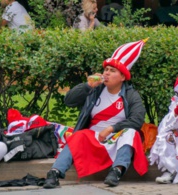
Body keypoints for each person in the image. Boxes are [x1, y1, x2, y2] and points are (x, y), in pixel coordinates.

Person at [43, 38, 149, 189]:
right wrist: (87, 86)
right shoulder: (95, 89)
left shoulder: (131, 95)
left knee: (131, 132)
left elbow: (137, 120)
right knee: (78, 135)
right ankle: (54, 172)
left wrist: (111, 129)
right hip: (93, 138)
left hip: (116, 137)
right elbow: (69, 100)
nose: (107, 73)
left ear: (123, 77)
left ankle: (116, 172)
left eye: (112, 71)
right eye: (106, 69)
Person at [149, 69, 178, 185]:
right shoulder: (177, 102)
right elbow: (164, 128)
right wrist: (176, 113)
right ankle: (171, 171)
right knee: (168, 136)